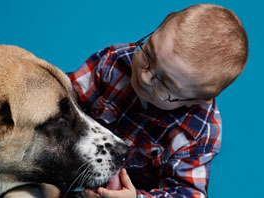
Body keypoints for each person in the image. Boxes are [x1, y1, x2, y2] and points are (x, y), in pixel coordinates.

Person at [69, 3, 248, 198]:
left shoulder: (197, 134)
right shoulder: (115, 62)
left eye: (164, 83)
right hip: (76, 163)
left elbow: (187, 193)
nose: (145, 77)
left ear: (195, 100)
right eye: (149, 54)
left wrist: (135, 197)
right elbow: (65, 101)